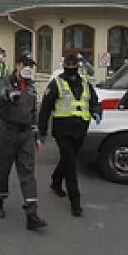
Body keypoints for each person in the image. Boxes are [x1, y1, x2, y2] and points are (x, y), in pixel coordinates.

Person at [38, 54, 102, 217]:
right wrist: (42, 131)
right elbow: (45, 109)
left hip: (80, 129)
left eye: (74, 64)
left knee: (68, 159)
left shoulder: (86, 83)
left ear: (78, 65)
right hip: (63, 131)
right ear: (64, 65)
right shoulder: (56, 84)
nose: (71, 66)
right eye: (68, 63)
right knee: (71, 164)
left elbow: (94, 101)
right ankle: (75, 202)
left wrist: (96, 112)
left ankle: (56, 181)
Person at [0, 53, 48, 230]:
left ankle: (32, 214)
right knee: (2, 170)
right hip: (7, 132)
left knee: (28, 173)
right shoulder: (5, 81)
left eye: (31, 65)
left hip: (25, 135)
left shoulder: (31, 88)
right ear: (17, 65)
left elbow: (33, 114)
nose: (28, 68)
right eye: (25, 64)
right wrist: (9, 95)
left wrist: (36, 135)